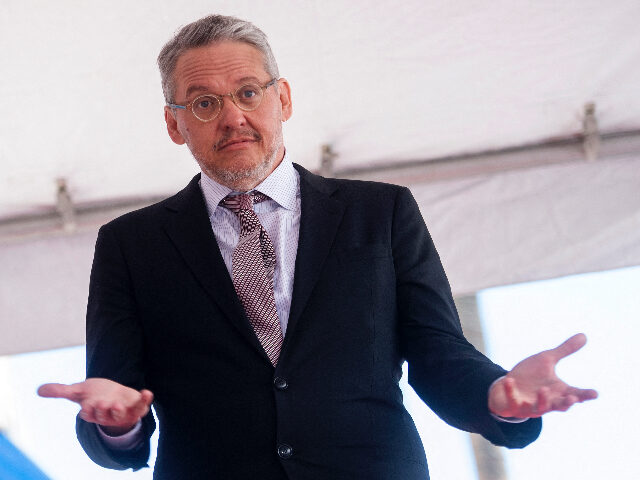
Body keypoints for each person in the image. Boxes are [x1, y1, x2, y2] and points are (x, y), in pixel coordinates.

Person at [38, 14, 597, 480]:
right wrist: (117, 423)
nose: (233, 116)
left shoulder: (381, 212)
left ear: (281, 98)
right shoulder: (130, 246)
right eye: (204, 103)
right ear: (174, 125)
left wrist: (498, 395)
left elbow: (438, 354)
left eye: (248, 93)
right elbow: (115, 397)